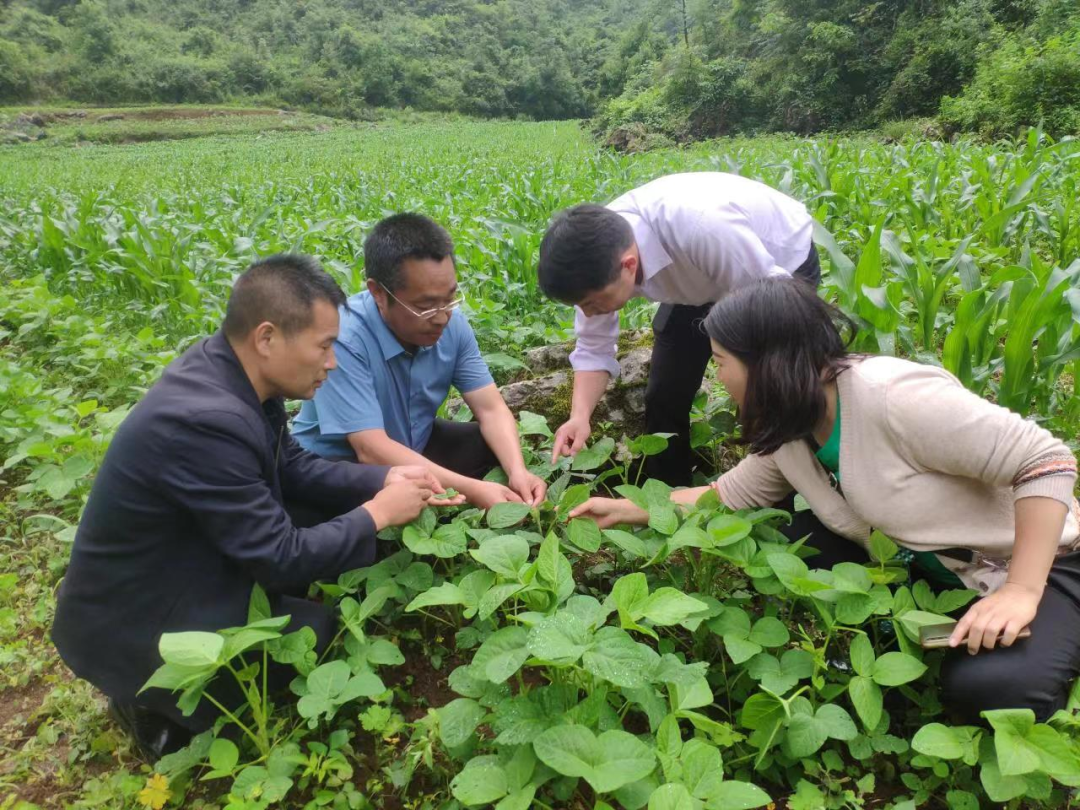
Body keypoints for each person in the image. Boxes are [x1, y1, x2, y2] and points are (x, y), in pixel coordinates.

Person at [569, 277, 1080, 722]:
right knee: (794, 537)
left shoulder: (893, 397)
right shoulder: (793, 420)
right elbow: (731, 494)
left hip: (1041, 561)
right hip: (937, 567)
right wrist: (633, 511)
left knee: (993, 691)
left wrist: (1020, 590)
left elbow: (1047, 461)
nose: (716, 378)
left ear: (766, 363)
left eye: (721, 362)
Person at [52, 254, 455, 759]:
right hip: (133, 612)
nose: (332, 361)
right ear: (267, 338)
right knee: (314, 634)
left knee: (322, 556)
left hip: (183, 558)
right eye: (324, 346)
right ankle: (144, 700)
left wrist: (385, 477)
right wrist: (378, 512)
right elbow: (279, 555)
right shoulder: (206, 419)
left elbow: (291, 469)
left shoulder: (235, 373)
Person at [537, 171, 820, 487]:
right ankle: (670, 497)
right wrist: (579, 417)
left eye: (591, 303)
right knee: (665, 391)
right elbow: (593, 347)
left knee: (775, 385)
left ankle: (790, 489)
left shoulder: (703, 229)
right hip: (696, 275)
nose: (588, 313)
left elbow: (771, 308)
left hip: (775, 270)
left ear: (629, 266)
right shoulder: (595, 263)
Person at [293, 213, 547, 509]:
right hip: (342, 465)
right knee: (360, 518)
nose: (441, 317)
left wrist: (518, 471)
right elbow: (371, 449)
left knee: (489, 447)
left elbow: (490, 409)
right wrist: (476, 490)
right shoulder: (343, 337)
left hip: (412, 444)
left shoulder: (454, 324)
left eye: (450, 298)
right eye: (425, 306)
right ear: (378, 292)